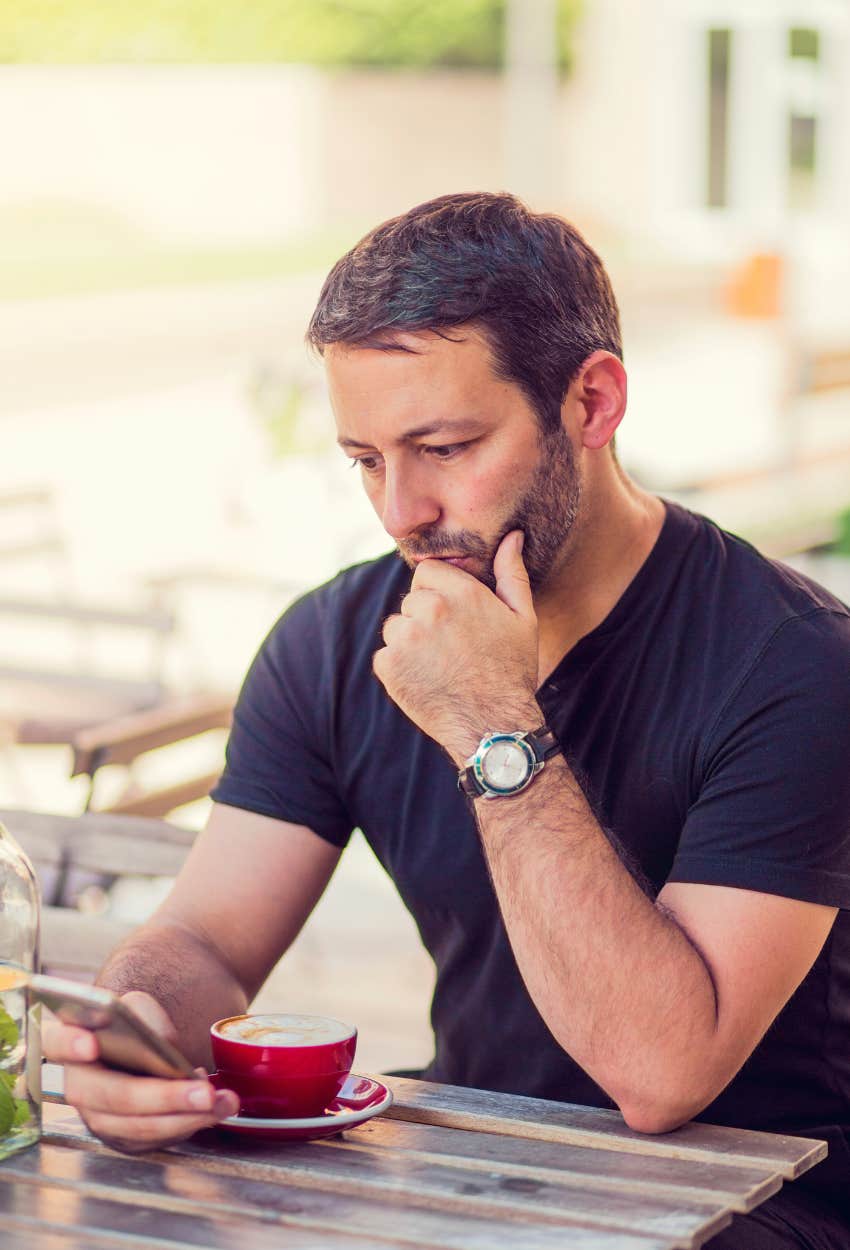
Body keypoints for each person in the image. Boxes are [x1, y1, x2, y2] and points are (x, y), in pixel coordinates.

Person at [45, 193, 850, 1248]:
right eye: (367, 459)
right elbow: (204, 935)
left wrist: (489, 720)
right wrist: (135, 1030)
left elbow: (662, 1075)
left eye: (445, 445)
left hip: (761, 1198)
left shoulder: (794, 662)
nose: (401, 512)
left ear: (593, 401)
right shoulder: (333, 642)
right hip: (480, 1157)